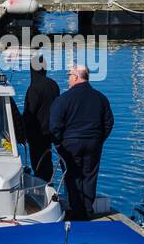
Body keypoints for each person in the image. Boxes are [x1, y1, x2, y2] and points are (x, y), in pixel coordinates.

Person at [48, 64, 113, 220]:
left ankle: (77, 210)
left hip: (70, 144)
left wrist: (59, 143)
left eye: (69, 74)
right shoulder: (100, 98)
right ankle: (88, 210)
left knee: (72, 176)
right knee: (90, 176)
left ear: (76, 77)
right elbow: (109, 122)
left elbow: (54, 125)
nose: (68, 78)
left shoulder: (63, 99)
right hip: (93, 143)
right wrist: (99, 139)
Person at [22, 54, 60, 182]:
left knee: (37, 163)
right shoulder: (54, 85)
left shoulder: (33, 88)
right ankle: (49, 184)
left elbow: (30, 112)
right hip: (51, 132)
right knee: (47, 160)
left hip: (36, 133)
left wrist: (22, 129)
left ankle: (40, 187)